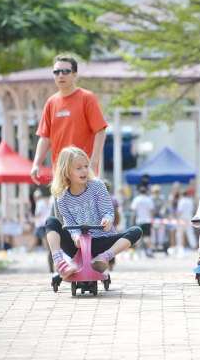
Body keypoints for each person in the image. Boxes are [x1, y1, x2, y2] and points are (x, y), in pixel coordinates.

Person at [45, 146, 142, 278]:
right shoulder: (62, 197)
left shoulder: (97, 185)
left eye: (86, 166)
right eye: (78, 168)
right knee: (51, 222)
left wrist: (108, 219)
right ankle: (59, 261)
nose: (84, 170)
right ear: (66, 172)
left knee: (136, 231)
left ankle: (103, 258)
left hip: (101, 240)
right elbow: (69, 223)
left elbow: (107, 211)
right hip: (77, 246)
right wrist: (76, 236)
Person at [31, 54, 108, 182]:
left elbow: (100, 131)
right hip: (60, 173)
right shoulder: (51, 102)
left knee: (84, 202)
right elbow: (45, 138)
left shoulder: (87, 98)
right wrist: (36, 164)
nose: (61, 75)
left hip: (84, 172)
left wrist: (93, 162)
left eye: (66, 71)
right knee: (61, 203)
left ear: (74, 75)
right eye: (56, 72)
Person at [130, 185, 155, 257]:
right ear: (146, 191)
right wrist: (152, 220)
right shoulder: (149, 199)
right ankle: (149, 251)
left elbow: (133, 211)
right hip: (147, 220)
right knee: (147, 237)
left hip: (139, 221)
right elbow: (152, 211)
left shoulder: (136, 199)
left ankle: (138, 253)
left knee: (138, 238)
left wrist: (132, 221)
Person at [176, 188, 197, 255]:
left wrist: (177, 218)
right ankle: (194, 246)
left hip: (182, 218)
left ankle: (180, 247)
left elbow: (180, 211)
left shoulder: (181, 201)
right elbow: (193, 209)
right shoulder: (190, 201)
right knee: (190, 233)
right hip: (189, 218)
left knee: (179, 234)